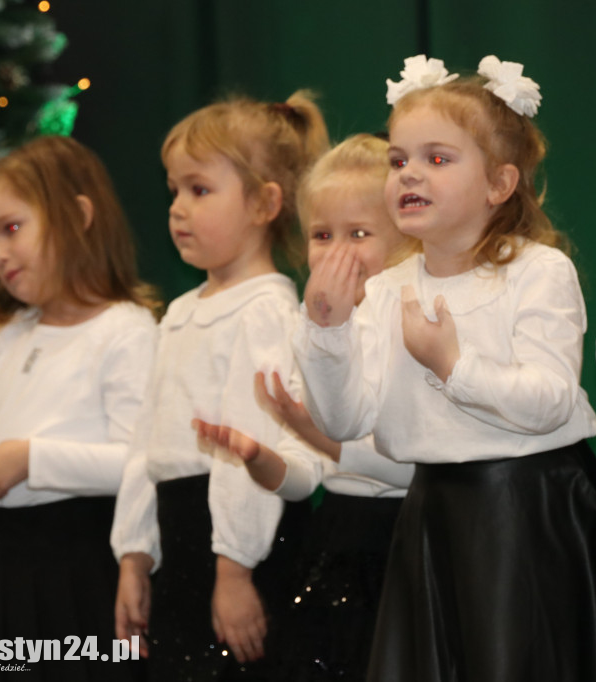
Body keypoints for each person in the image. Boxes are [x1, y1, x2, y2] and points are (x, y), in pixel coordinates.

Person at [292, 55, 596, 682]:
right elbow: (344, 418)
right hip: (433, 517)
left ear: (500, 183)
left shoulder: (537, 271)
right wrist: (328, 330)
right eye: (398, 160)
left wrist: (454, 364)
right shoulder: (388, 289)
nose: (409, 173)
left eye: (437, 159)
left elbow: (551, 398)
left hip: (528, 513)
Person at [109, 93, 330, 681]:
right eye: (173, 191)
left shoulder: (264, 310)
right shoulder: (180, 311)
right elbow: (145, 445)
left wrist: (234, 571)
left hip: (238, 540)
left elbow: (249, 444)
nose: (178, 208)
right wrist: (134, 556)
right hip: (178, 539)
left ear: (264, 203)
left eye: (199, 190)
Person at [194, 133, 416, 681]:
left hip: (414, 539)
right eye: (321, 235)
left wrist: (316, 436)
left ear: (407, 239)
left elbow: (411, 463)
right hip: (339, 543)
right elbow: (303, 479)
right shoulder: (307, 332)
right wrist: (259, 457)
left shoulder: (413, 323)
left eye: (359, 234)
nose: (336, 252)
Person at [0, 135, 158, 682]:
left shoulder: (125, 332)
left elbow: (142, 461)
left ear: (78, 215)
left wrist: (33, 459)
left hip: (79, 568)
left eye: (11, 228)